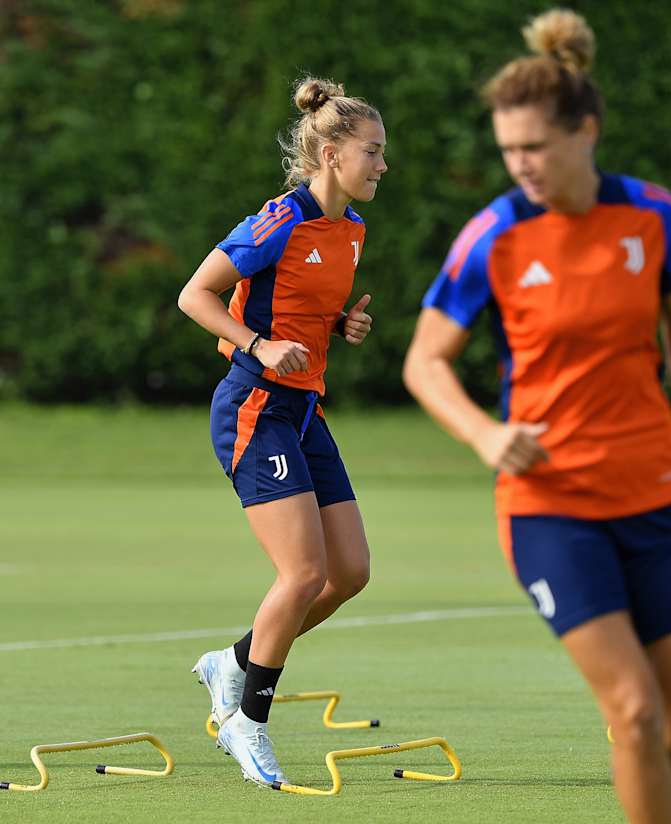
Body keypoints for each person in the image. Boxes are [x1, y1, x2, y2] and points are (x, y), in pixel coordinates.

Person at [403, 9, 671, 824]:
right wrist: (483, 433)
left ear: (585, 132)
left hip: (658, 493)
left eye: (536, 148)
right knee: (636, 711)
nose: (521, 166)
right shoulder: (494, 235)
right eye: (509, 150)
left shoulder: (654, 217)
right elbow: (424, 360)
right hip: (551, 504)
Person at [177, 76, 387, 787]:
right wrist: (257, 344)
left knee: (349, 573)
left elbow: (302, 306)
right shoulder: (278, 219)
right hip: (254, 409)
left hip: (303, 412)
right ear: (329, 154)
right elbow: (195, 295)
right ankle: (247, 721)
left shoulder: (351, 230)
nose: (382, 165)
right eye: (372, 152)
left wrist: (341, 325)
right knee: (302, 573)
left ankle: (232, 663)